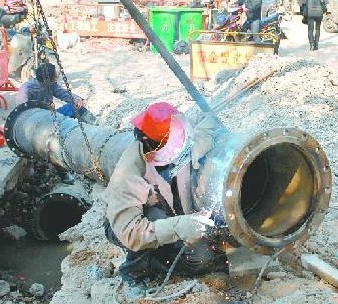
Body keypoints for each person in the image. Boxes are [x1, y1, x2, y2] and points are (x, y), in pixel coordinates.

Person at [102, 102, 228, 299]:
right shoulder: (128, 175)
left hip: (169, 213)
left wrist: (209, 138)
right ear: (149, 144)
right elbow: (130, 232)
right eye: (172, 145)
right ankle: (135, 272)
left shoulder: (177, 128)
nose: (178, 149)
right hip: (128, 225)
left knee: (202, 259)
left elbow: (208, 118)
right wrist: (179, 227)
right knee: (154, 218)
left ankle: (164, 247)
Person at [17, 62, 97, 124]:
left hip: (50, 115)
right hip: (37, 123)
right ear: (47, 80)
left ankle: (96, 126)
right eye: (55, 77)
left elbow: (63, 94)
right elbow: (22, 114)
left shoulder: (51, 84)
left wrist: (77, 99)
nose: (56, 78)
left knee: (77, 107)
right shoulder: (26, 90)